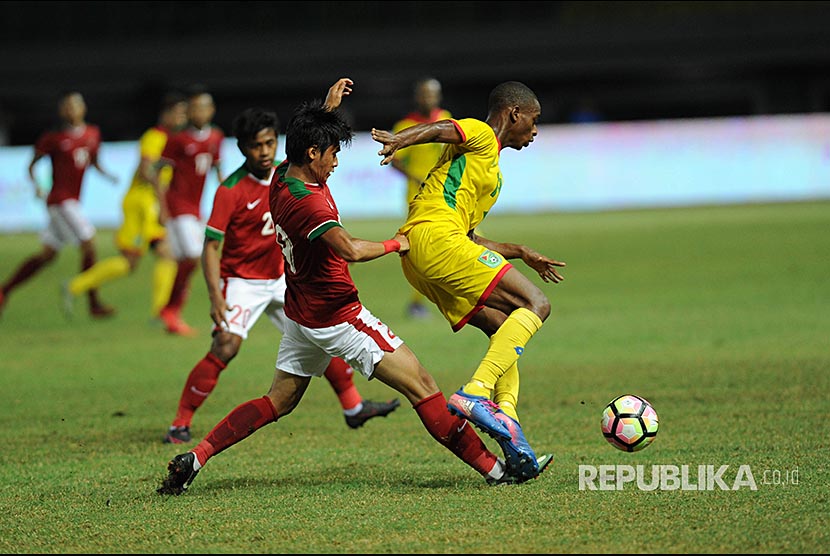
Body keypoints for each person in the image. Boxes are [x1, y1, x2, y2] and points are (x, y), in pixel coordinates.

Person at [157, 83, 550, 495]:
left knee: (278, 400)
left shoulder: (279, 180)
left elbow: (306, 142)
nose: (336, 163)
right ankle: (496, 471)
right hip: (338, 316)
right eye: (332, 154)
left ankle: (197, 456)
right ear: (313, 154)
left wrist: (326, 111)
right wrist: (397, 243)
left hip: (300, 314)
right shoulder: (309, 203)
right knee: (425, 388)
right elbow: (349, 249)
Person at [163, 80, 399, 444]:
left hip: (284, 278)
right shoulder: (230, 190)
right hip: (243, 281)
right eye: (255, 145)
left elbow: (313, 143)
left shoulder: (284, 172)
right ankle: (180, 422)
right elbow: (210, 247)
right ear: (242, 148)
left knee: (322, 334)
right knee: (226, 346)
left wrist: (328, 109)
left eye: (269, 143)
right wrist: (215, 296)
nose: (263, 151)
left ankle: (353, 407)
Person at [370, 81, 566, 481]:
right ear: (514, 113)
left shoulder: (493, 178)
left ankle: (511, 429)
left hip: (421, 252)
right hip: (434, 239)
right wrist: (399, 140)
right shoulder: (479, 132)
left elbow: (471, 238)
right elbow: (442, 128)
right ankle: (476, 392)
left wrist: (522, 251)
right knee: (536, 305)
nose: (535, 130)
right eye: (534, 119)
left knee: (503, 326)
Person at [61, 92, 188, 318]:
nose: (182, 118)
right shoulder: (155, 136)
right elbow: (145, 170)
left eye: (184, 114)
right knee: (159, 254)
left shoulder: (172, 138)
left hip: (146, 202)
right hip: (142, 202)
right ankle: (161, 312)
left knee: (143, 259)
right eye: (178, 113)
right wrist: (162, 201)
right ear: (166, 114)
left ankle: (75, 286)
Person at [0, 91, 118, 319]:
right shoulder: (53, 138)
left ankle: (4, 291)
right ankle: (93, 302)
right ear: (61, 111)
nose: (71, 110)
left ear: (83, 108)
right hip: (60, 201)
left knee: (47, 255)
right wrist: (36, 185)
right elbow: (32, 165)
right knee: (89, 242)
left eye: (75, 106)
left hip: (71, 202)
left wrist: (107, 175)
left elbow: (93, 161)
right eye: (67, 107)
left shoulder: (93, 134)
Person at [152, 86, 225, 336]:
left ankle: (171, 312)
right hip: (177, 206)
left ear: (212, 110)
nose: (200, 112)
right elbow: (155, 171)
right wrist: (161, 207)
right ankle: (171, 310)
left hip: (195, 209)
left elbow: (217, 171)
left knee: (188, 260)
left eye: (204, 107)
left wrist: (228, 199)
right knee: (195, 255)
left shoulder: (216, 137)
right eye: (195, 108)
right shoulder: (177, 139)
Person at [389, 77, 452, 319]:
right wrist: (415, 177)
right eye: (425, 95)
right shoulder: (405, 125)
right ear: (417, 97)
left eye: (433, 94)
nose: (429, 99)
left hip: (445, 194)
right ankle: (418, 302)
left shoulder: (446, 117)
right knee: (421, 251)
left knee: (464, 239)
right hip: (417, 198)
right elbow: (394, 162)